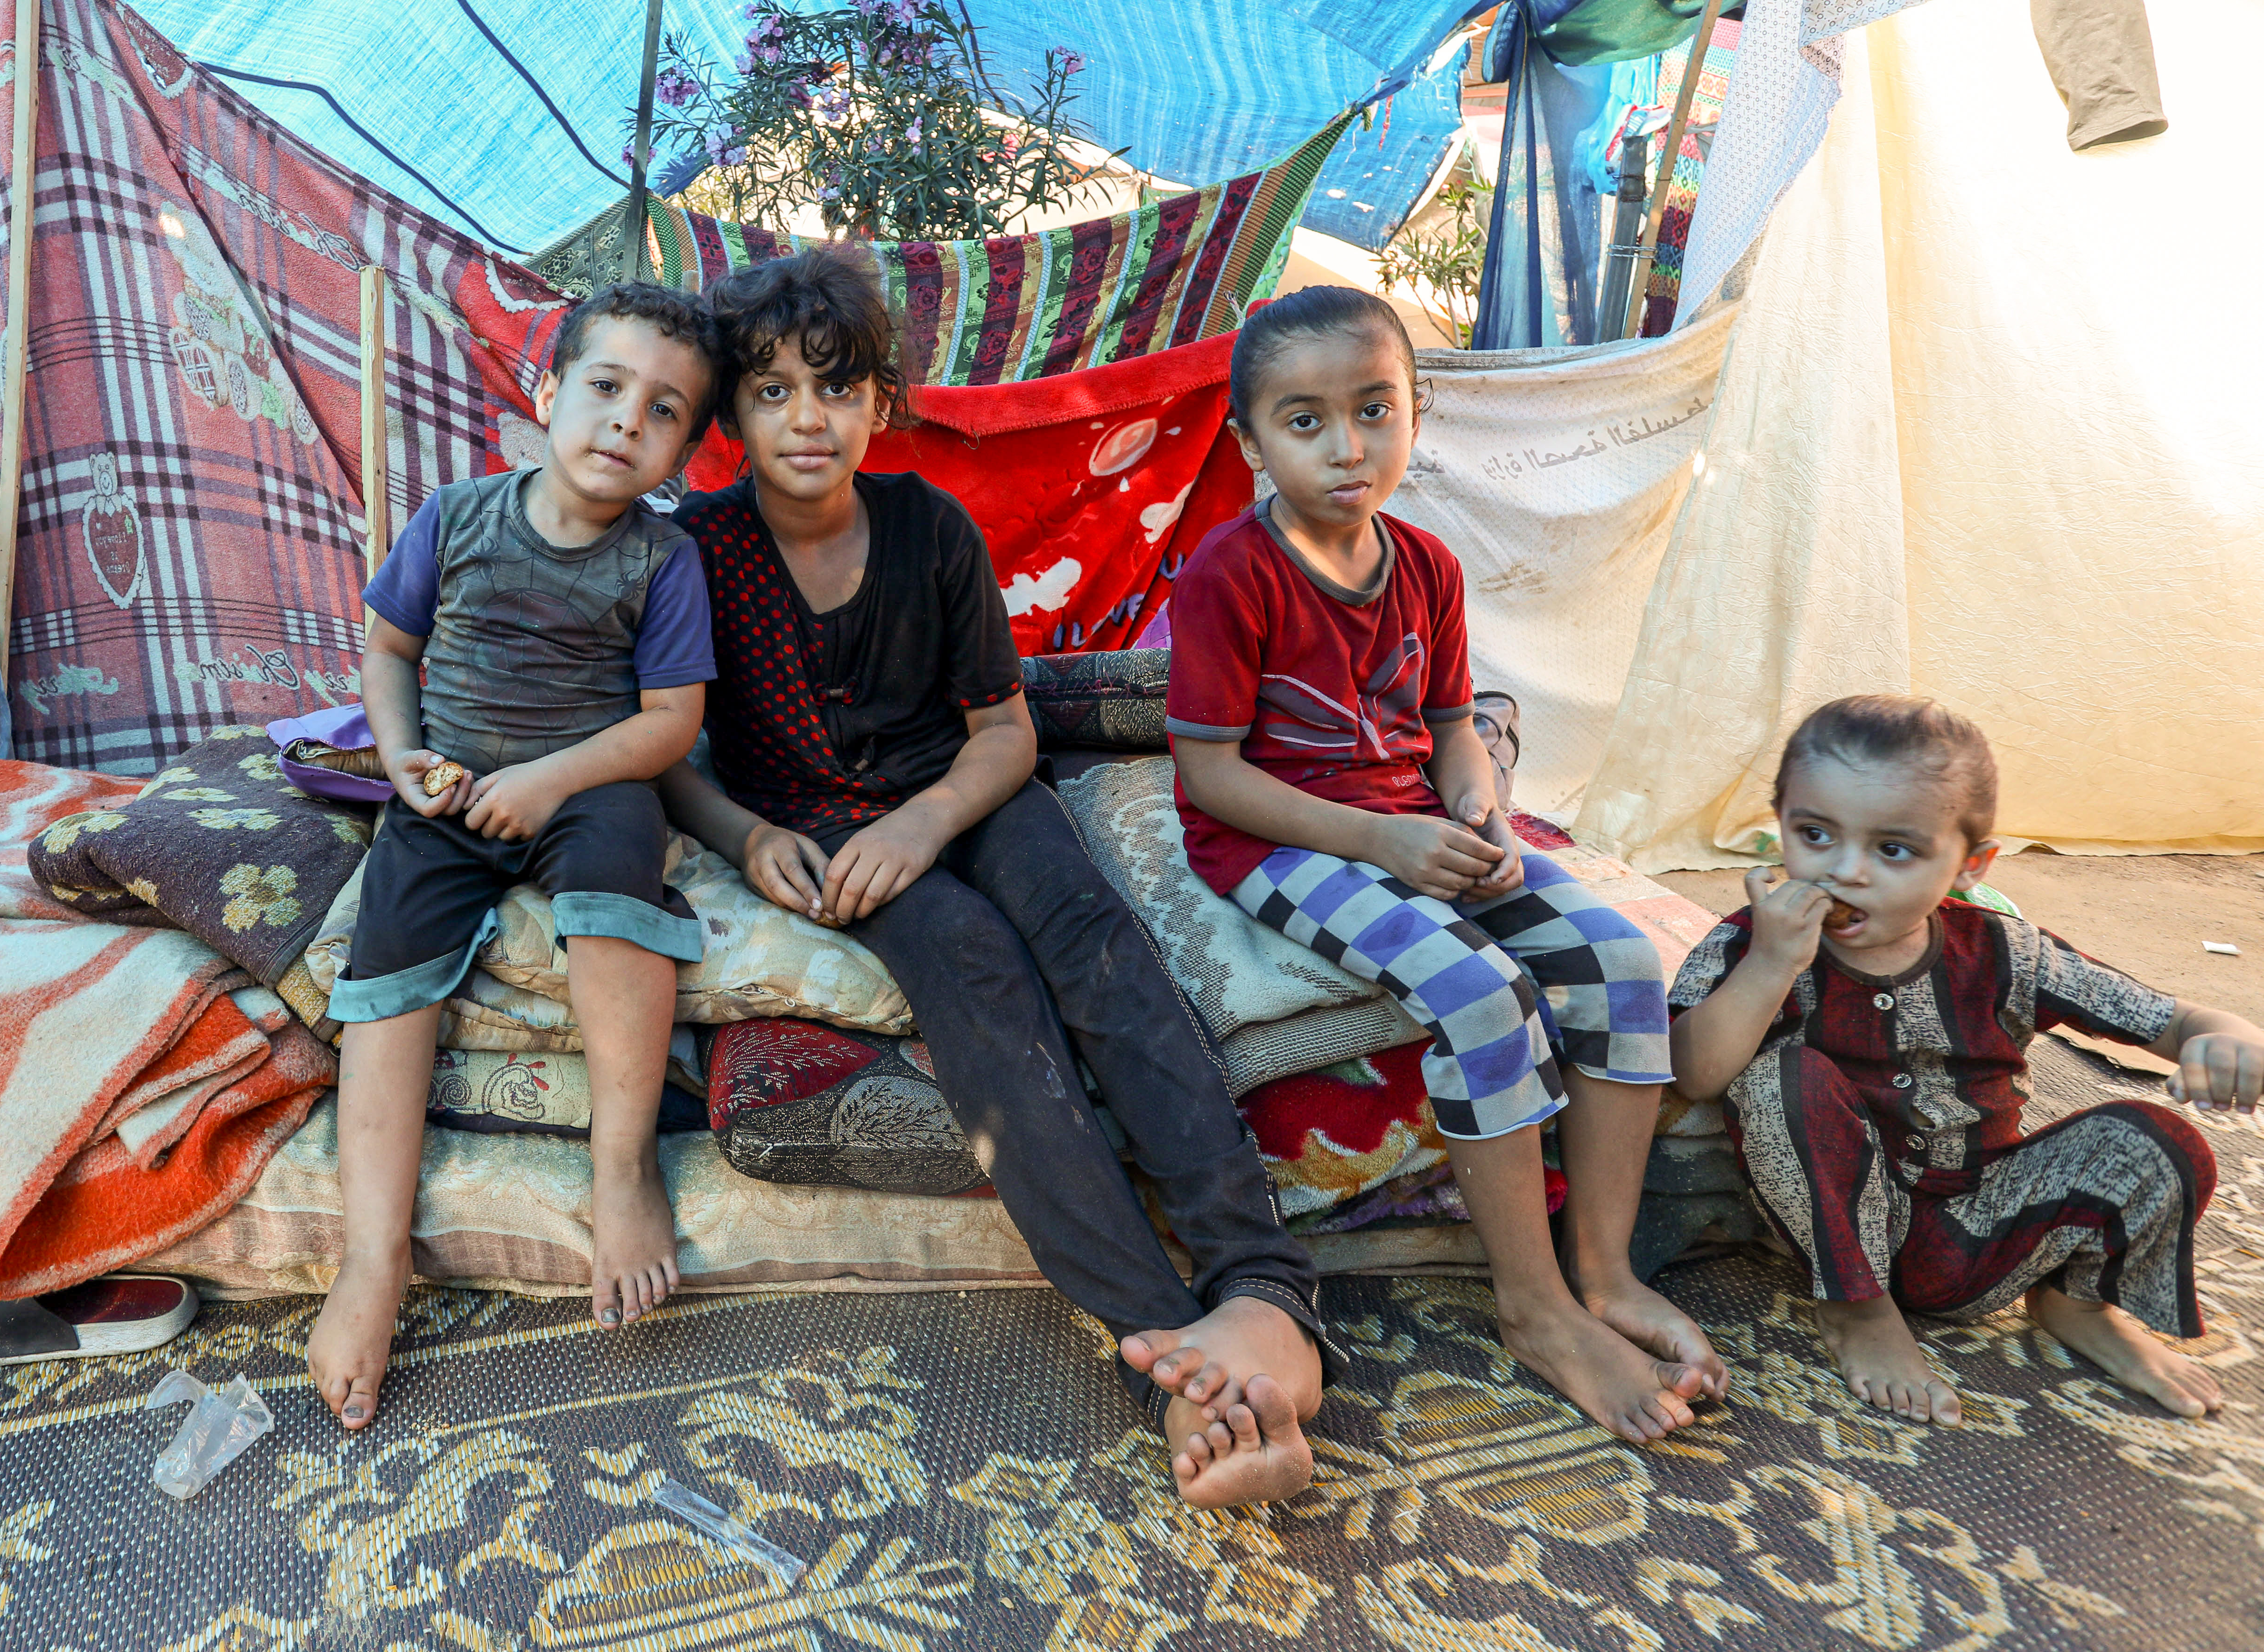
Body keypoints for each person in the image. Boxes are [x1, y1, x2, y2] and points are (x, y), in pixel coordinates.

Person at [656, 247, 1346, 1508]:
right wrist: (745, 836)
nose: (806, 419)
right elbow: (675, 754)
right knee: (971, 966)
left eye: (835, 386)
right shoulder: (693, 555)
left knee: (1086, 931)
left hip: (962, 795)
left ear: (879, 397)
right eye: (769, 391)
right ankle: (1167, 1357)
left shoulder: (929, 528)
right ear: (728, 417)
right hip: (816, 828)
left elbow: (1005, 732)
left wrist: (921, 826)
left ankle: (1261, 1285)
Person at [1167, 284, 1727, 1446]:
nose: (1346, 446)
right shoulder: (1230, 574)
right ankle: (1532, 1307)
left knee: (1617, 958)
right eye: (1304, 421)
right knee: (1479, 990)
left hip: (1411, 817)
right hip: (1279, 839)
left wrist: (1482, 807)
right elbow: (1212, 776)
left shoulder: (1425, 565)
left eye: (1374, 410)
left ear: (1416, 412)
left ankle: (1606, 1270)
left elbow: (1450, 725)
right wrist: (1382, 839)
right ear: (1250, 441)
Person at [305, 283, 723, 1428]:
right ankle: (373, 1258)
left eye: (664, 410)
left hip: (588, 783)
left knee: (616, 898)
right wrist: (401, 758)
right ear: (546, 397)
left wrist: (549, 780)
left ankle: (623, 1162)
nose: (626, 420)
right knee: (386, 975)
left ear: (684, 447)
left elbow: (668, 724)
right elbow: (389, 653)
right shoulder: (456, 516)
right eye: (604, 387)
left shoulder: (660, 559)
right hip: (448, 793)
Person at [1668, 695, 2257, 1424]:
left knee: (2161, 1143)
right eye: (1815, 834)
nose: (1846, 872)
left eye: (1894, 850)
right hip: (1836, 1228)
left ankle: (2075, 1304)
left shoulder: (2008, 950)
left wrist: (2228, 1036)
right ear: (1780, 827)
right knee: (1777, 1078)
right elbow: (1693, 1073)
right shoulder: (1750, 941)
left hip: (1990, 1219)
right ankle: (1857, 1310)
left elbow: (2174, 1021)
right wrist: (1770, 965)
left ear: (1969, 865)